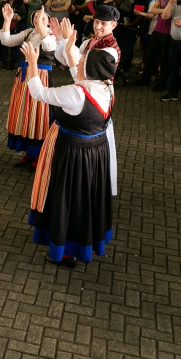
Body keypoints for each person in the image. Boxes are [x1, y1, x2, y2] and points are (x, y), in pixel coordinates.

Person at [22, 30, 119, 269]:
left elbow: (38, 92)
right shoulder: (106, 87)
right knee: (87, 198)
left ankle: (66, 251)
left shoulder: (76, 93)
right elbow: (78, 75)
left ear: (90, 69)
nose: (78, 63)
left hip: (72, 152)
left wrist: (32, 63)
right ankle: (84, 242)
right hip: (96, 152)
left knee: (67, 199)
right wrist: (68, 48)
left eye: (83, 61)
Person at [0, 5, 56, 167]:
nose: (39, 20)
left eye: (43, 18)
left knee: (39, 115)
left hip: (42, 77)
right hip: (24, 78)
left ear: (49, 22)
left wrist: (42, 27)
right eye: (36, 18)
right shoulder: (28, 33)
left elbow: (49, 47)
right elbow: (6, 40)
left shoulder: (51, 36)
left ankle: (38, 155)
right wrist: (8, 20)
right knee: (24, 114)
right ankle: (28, 153)